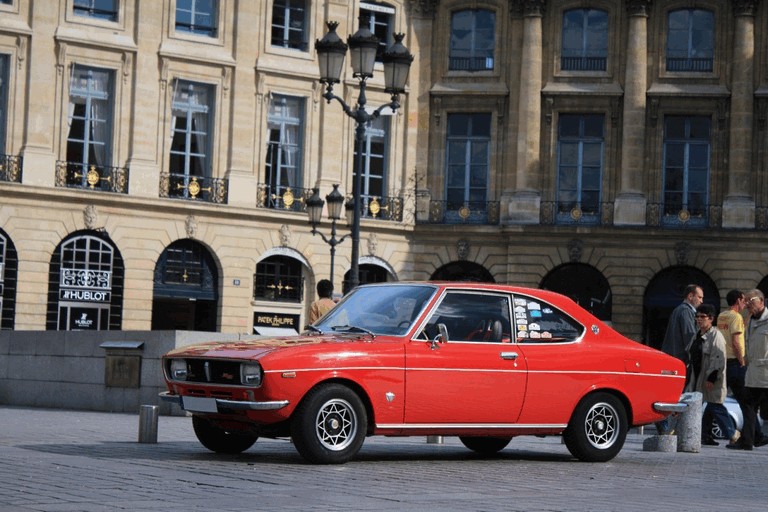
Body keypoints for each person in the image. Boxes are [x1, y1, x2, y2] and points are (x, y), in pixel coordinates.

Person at [656, 284, 703, 435]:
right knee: (677, 396)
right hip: (680, 362)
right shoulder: (686, 312)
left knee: (669, 394)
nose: (702, 301)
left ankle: (666, 425)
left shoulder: (678, 310)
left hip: (673, 361)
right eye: (700, 297)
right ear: (690, 296)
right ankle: (666, 425)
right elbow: (690, 338)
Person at [693, 304, 739, 446]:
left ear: (711, 319)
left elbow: (718, 358)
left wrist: (711, 377)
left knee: (715, 406)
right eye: (697, 316)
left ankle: (733, 434)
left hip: (713, 378)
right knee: (709, 406)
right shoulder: (699, 334)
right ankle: (705, 435)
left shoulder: (716, 335)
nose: (699, 320)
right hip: (700, 377)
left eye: (703, 317)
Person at [728, 289, 768, 450]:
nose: (748, 304)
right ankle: (748, 441)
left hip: (765, 375)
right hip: (752, 374)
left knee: (763, 412)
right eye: (747, 301)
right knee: (748, 405)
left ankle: (750, 440)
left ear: (762, 301)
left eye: (752, 301)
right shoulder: (750, 320)